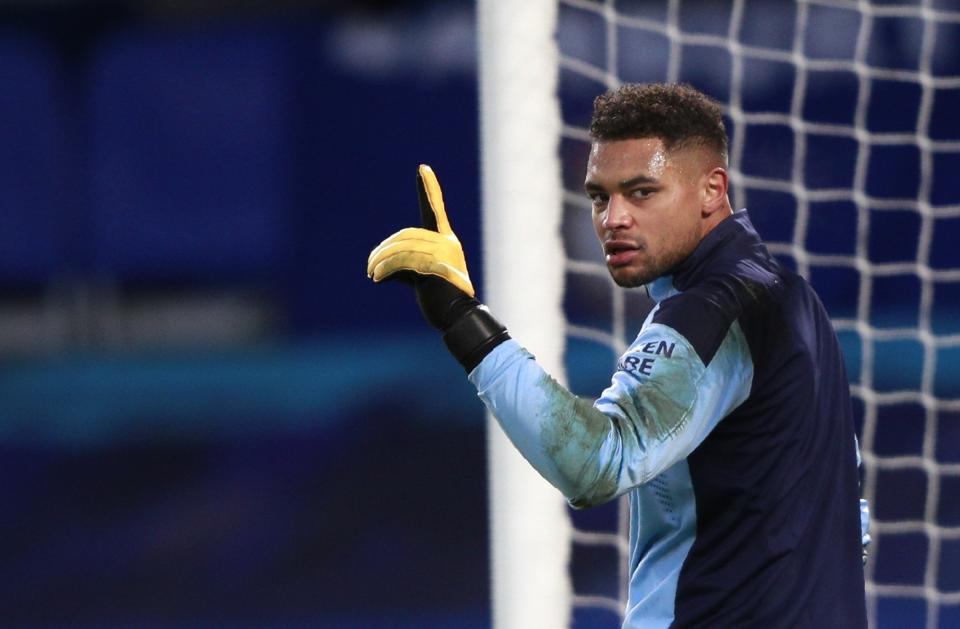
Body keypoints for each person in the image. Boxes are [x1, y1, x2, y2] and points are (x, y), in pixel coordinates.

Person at [367, 82, 870, 628]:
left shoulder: (712, 311)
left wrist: (463, 320)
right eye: (600, 197)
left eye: (641, 192)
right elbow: (854, 520)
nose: (613, 219)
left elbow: (596, 464)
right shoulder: (795, 300)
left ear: (711, 189)